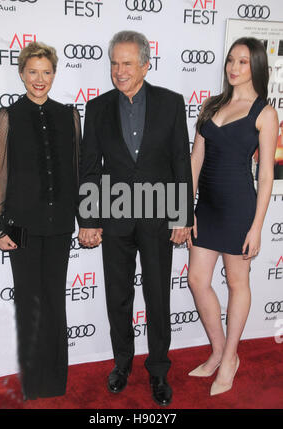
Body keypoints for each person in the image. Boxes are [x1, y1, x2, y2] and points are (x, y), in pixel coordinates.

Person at [78, 30, 193, 406]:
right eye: (114, 62)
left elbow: (180, 161)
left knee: (158, 297)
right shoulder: (97, 108)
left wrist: (182, 216)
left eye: (127, 63)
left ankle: (158, 370)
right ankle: (122, 364)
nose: (119, 70)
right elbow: (90, 168)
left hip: (160, 216)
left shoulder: (171, 103)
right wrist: (89, 219)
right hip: (114, 217)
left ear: (146, 63)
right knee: (118, 297)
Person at [0, 42, 82, 400]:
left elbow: (76, 174)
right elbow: (0, 174)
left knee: (55, 301)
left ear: (54, 74)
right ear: (22, 73)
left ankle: (55, 382)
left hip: (58, 226)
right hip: (21, 225)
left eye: (46, 72)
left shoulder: (69, 116)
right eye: (33, 72)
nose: (39, 79)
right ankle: (33, 382)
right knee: (29, 302)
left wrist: (85, 218)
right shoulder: (7, 116)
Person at [187, 37, 278, 396]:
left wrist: (256, 226)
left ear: (255, 66)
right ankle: (219, 350)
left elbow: (266, 174)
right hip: (205, 208)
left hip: (240, 208)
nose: (234, 67)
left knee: (238, 283)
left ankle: (229, 360)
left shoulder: (265, 113)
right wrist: (184, 209)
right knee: (197, 279)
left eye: (242, 61)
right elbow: (195, 160)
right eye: (230, 60)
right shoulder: (211, 106)